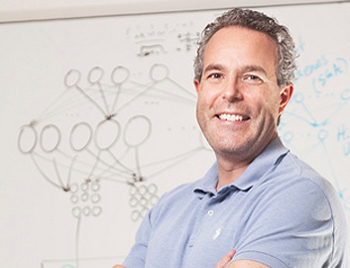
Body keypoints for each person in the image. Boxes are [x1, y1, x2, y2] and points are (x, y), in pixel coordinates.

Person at [113, 8, 348, 267]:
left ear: (282, 99)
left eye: (251, 77)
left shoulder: (303, 195)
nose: (230, 92)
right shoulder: (168, 207)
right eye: (216, 75)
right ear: (199, 90)